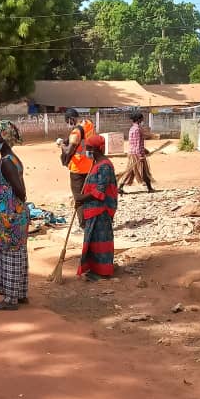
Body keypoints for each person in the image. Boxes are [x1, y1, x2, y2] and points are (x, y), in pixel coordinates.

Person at [0, 121, 30, 311]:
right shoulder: (10, 158)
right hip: (12, 216)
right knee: (17, 253)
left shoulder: (7, 162)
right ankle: (19, 293)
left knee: (9, 254)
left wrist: (10, 210)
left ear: (3, 138)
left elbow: (20, 191)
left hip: (10, 217)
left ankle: (10, 299)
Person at [77, 134, 118, 281]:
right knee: (93, 241)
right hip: (93, 208)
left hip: (102, 209)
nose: (86, 151)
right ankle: (94, 268)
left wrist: (82, 198)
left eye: (88, 149)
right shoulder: (95, 164)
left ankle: (103, 271)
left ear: (96, 150)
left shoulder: (105, 166)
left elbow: (100, 190)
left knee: (101, 241)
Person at [60, 108, 94, 229]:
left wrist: (62, 145)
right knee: (89, 194)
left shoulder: (76, 132)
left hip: (78, 169)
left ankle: (83, 225)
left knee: (79, 197)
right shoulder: (89, 124)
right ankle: (93, 220)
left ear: (70, 119)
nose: (69, 124)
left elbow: (69, 150)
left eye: (68, 121)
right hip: (90, 165)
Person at [118, 111, 154, 192]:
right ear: (138, 119)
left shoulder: (132, 129)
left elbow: (133, 142)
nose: (143, 119)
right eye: (142, 118)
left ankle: (120, 186)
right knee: (143, 170)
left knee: (131, 170)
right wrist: (140, 155)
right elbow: (137, 143)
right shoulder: (137, 129)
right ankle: (149, 187)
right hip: (137, 154)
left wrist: (144, 150)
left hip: (132, 152)